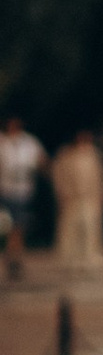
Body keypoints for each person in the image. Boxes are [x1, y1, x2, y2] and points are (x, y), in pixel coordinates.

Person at [49, 128, 103, 273]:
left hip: (89, 197)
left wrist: (100, 193)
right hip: (71, 197)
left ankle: (90, 256)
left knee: (90, 227)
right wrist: (62, 193)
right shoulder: (66, 154)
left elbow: (100, 175)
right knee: (70, 229)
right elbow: (58, 175)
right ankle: (69, 258)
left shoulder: (93, 154)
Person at [0, 115, 44, 276]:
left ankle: (15, 259)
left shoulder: (29, 142)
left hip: (23, 191)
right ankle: (11, 257)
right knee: (8, 227)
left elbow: (41, 161)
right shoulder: (2, 142)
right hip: (5, 191)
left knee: (19, 228)